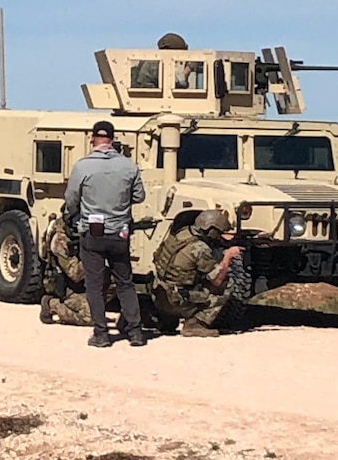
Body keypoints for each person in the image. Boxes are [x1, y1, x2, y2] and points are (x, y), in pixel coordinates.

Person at [61, 119, 148, 348]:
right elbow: (139, 196)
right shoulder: (129, 166)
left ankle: (101, 334)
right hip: (120, 233)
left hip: (92, 233)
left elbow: (71, 200)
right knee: (125, 282)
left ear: (92, 138)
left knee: (95, 284)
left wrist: (75, 214)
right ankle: (136, 332)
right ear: (113, 139)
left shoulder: (82, 166)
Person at [152, 209, 250, 338]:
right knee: (226, 284)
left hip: (159, 295)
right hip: (177, 300)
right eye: (218, 232)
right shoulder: (199, 248)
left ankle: (167, 320)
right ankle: (194, 325)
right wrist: (228, 256)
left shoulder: (180, 234)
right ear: (210, 230)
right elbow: (217, 280)